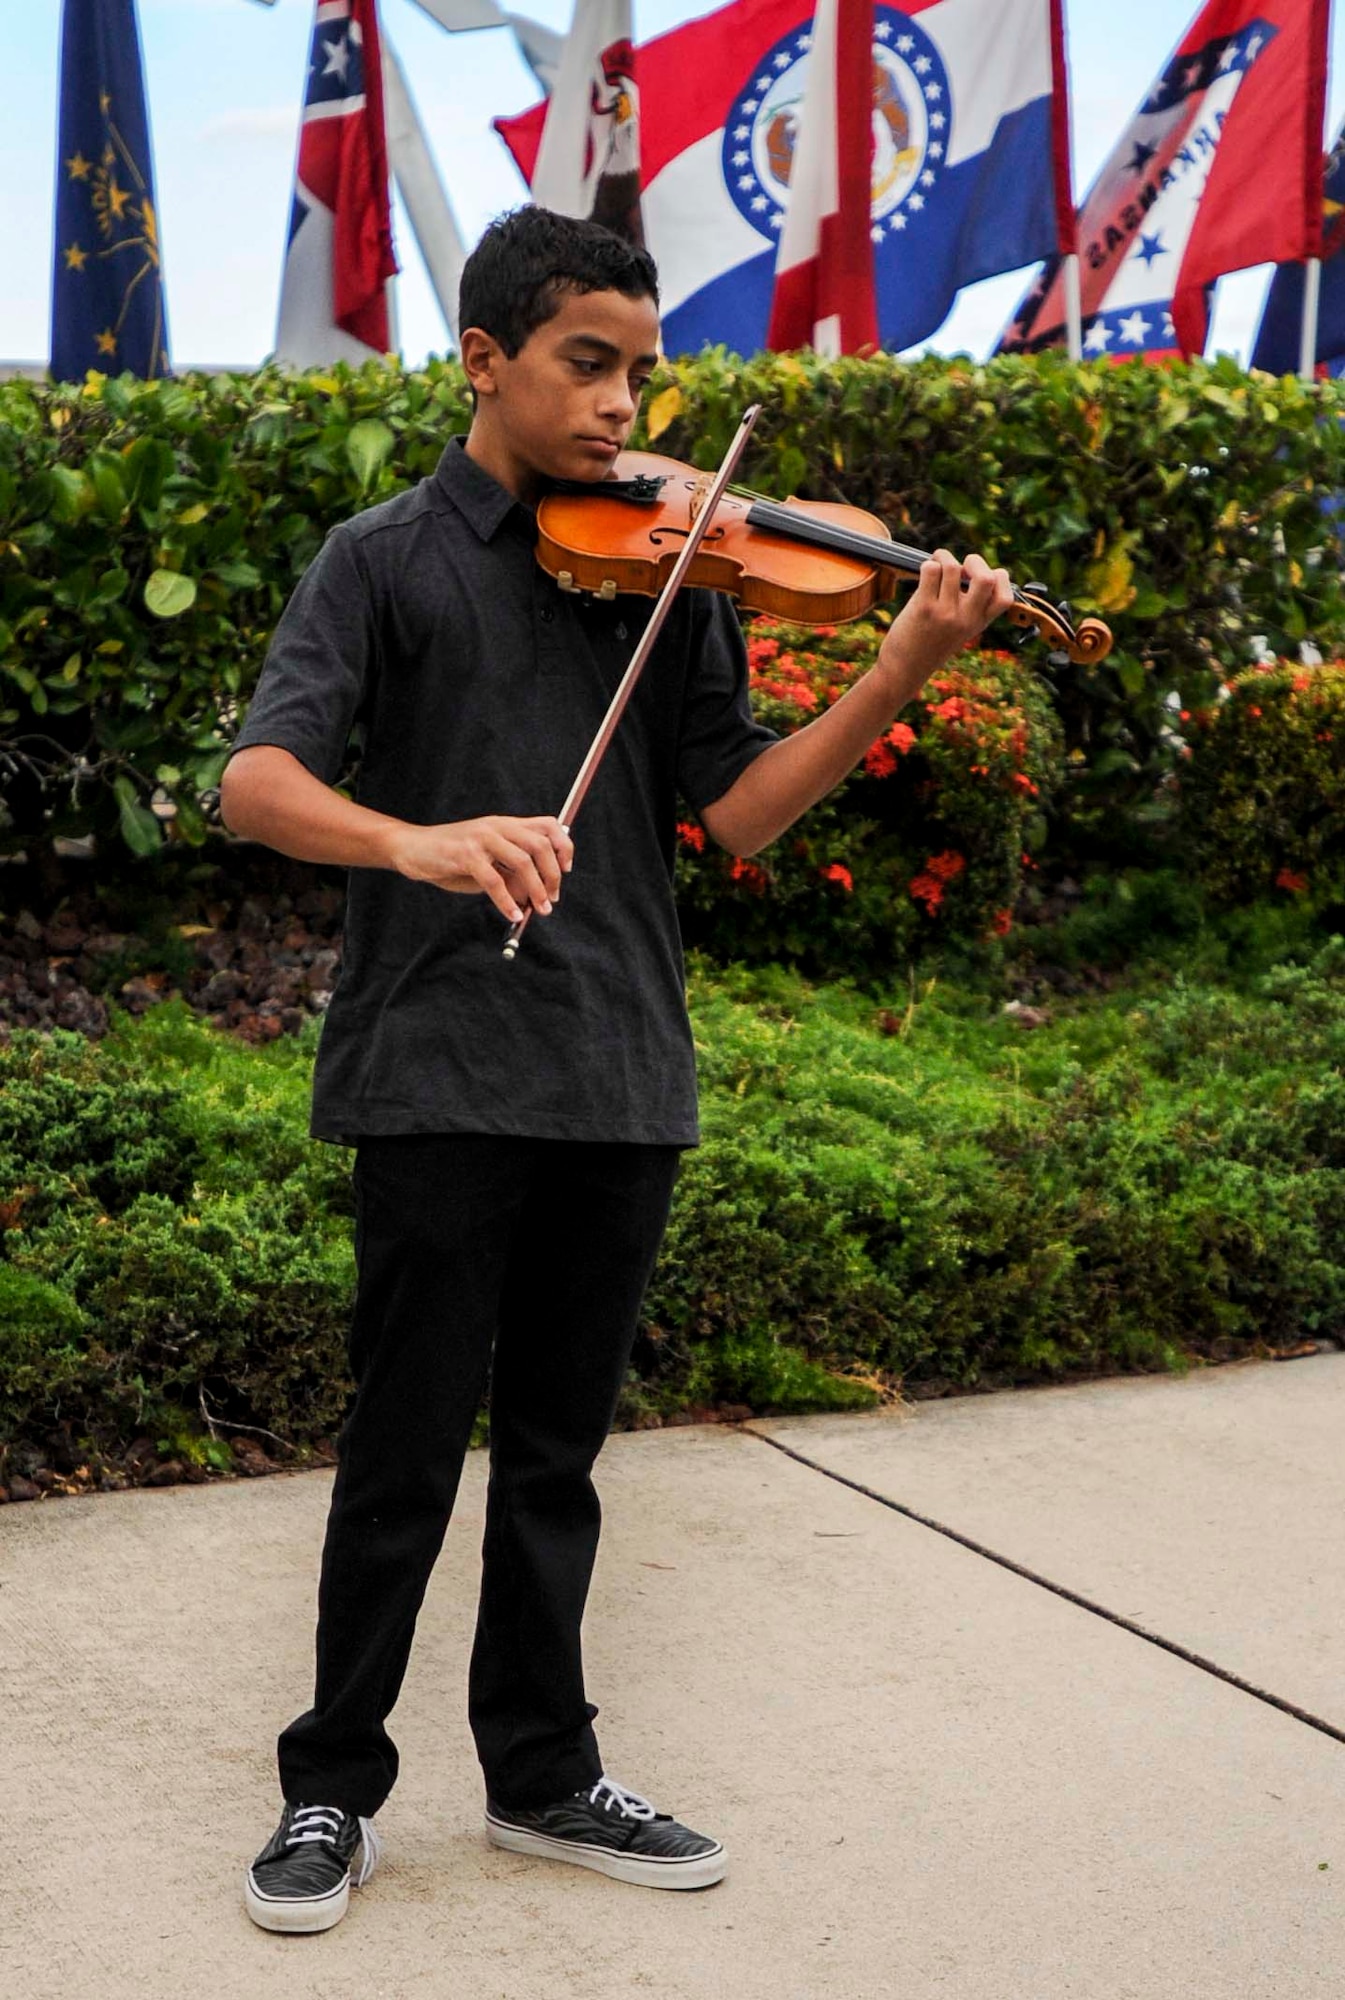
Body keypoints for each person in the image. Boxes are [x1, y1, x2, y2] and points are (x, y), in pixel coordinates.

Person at [220, 204, 1013, 1936]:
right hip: (434, 1063)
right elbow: (255, 784)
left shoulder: (669, 569)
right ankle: (328, 1787)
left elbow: (732, 810)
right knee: (404, 1450)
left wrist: (899, 667)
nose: (620, 406)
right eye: (587, 364)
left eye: (641, 372)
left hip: (617, 1064)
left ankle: (543, 1774)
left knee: (562, 1456)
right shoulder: (382, 557)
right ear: (486, 359)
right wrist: (421, 842)